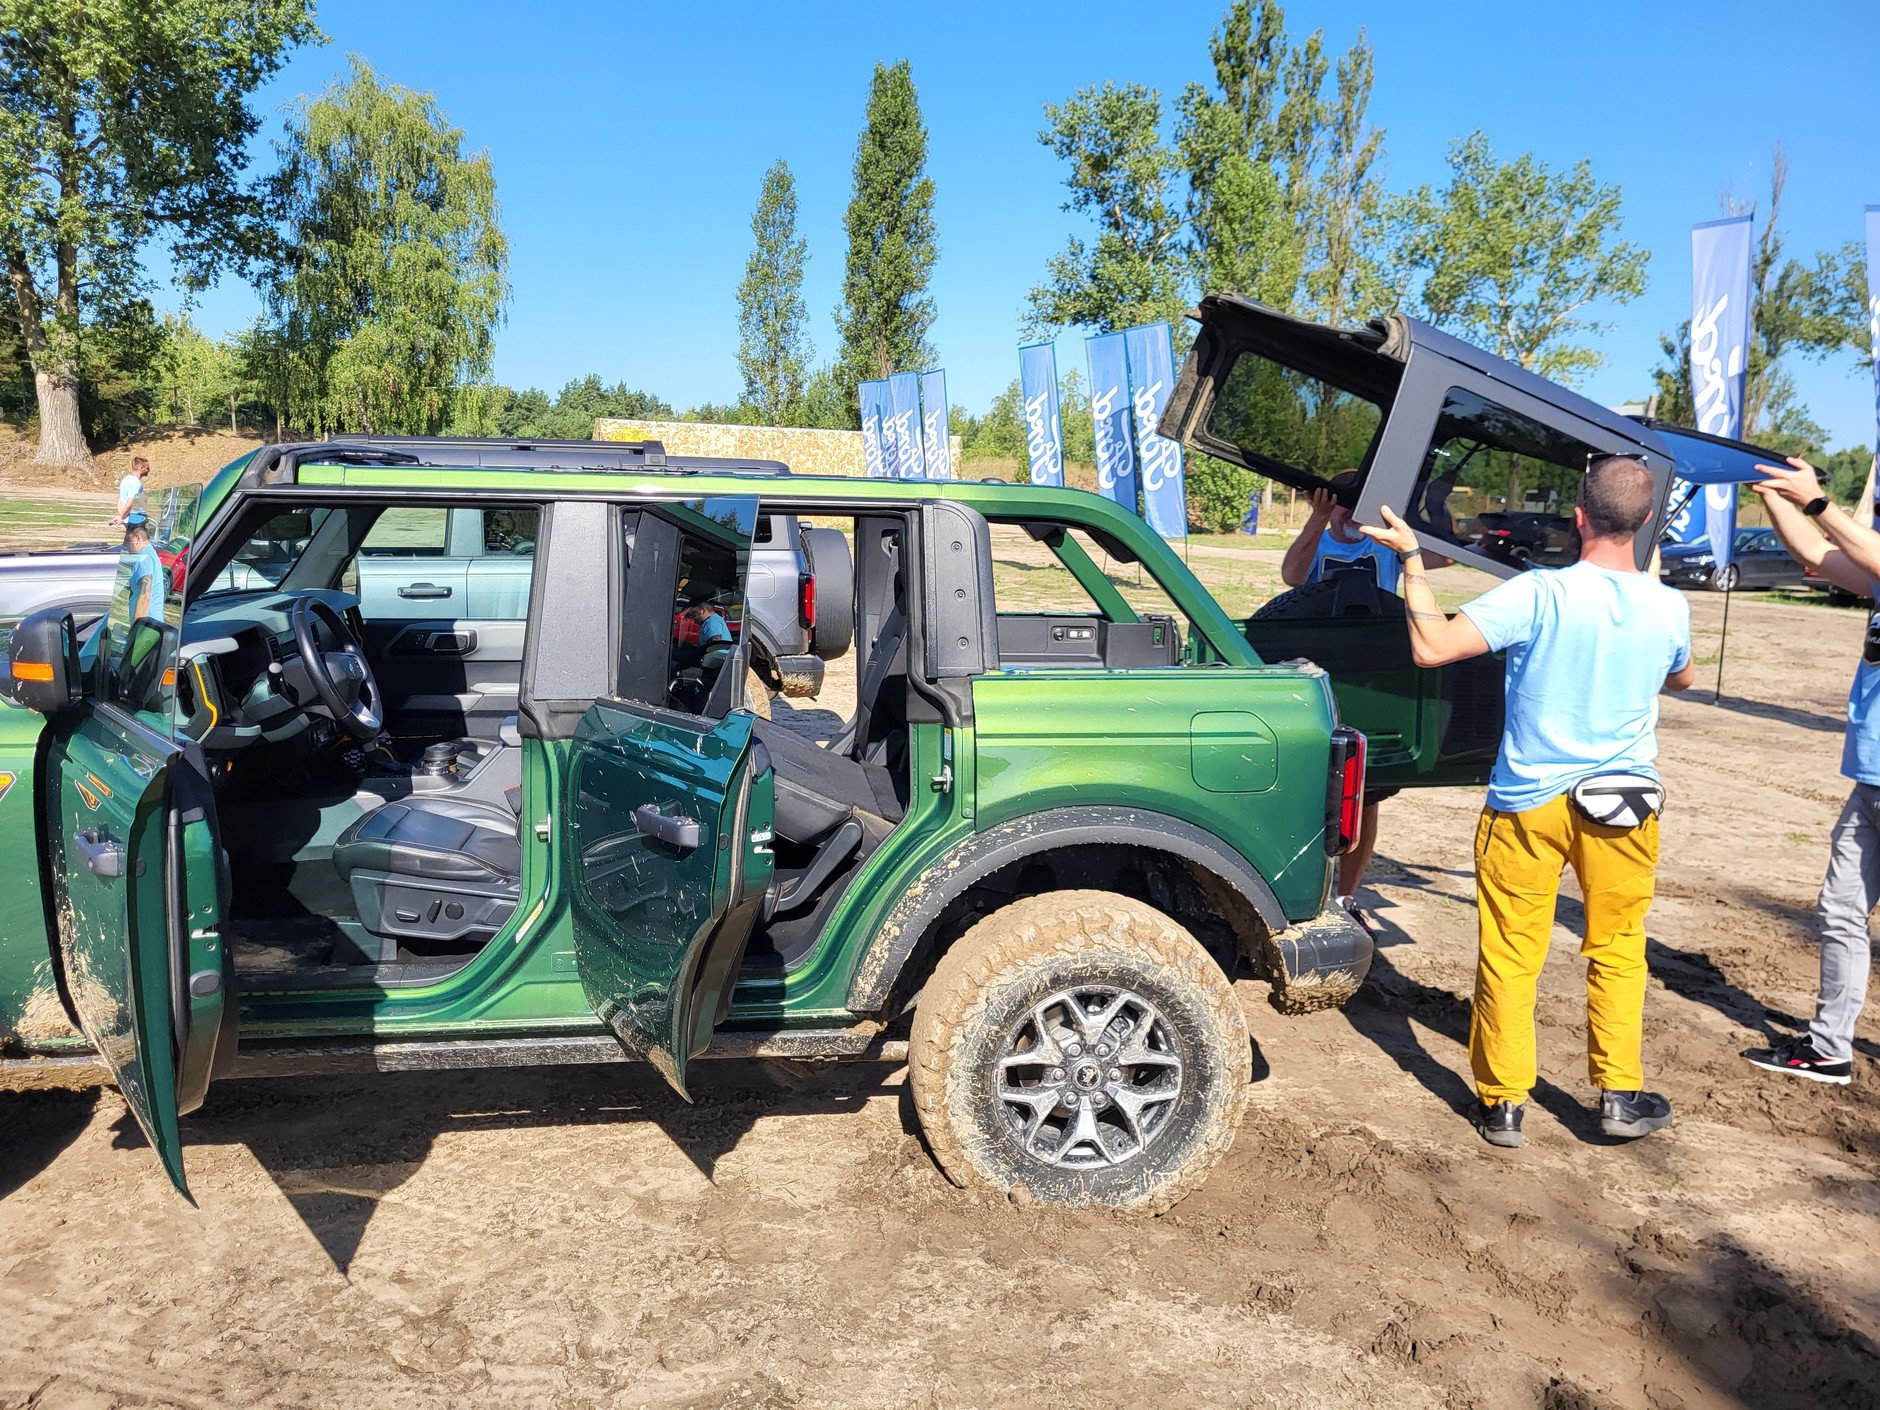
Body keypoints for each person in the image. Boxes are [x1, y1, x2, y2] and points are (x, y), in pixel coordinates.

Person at [1360, 456, 1696, 1148]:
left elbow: (1433, 647)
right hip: (1624, 808)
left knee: (1511, 956)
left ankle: (1503, 1104)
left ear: (1579, 516)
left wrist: (1413, 561)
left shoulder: (1540, 593)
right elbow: (1683, 677)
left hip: (1528, 806)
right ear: (1644, 523)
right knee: (1618, 949)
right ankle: (1620, 1095)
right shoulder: (1669, 605)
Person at [1740, 456, 1880, 1085]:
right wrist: (1774, 494)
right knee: (1841, 911)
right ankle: (1829, 1048)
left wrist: (1818, 501)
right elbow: (1816, 555)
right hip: (1870, 782)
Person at [1279, 469, 1449, 912]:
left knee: (1365, 795)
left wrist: (1433, 504)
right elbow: (1292, 575)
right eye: (1345, 503)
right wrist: (1318, 518)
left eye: (1363, 503)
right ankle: (1304, 890)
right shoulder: (1320, 539)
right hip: (1320, 672)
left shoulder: (1386, 545)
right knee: (1310, 788)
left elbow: (1447, 557)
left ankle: (1347, 896)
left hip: (1375, 673)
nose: (1353, 513)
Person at [122, 512, 161, 623]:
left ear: (138, 537)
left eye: (127, 540)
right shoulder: (148, 553)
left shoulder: (144, 559)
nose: (124, 545)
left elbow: (145, 596)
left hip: (146, 628)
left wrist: (136, 629)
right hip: (149, 625)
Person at [112, 456, 150, 527]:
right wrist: (122, 517)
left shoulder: (125, 479)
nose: (149, 470)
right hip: (135, 520)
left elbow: (120, 501)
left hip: (129, 519)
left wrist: (122, 516)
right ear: (141, 468)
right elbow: (129, 504)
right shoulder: (136, 483)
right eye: (147, 468)